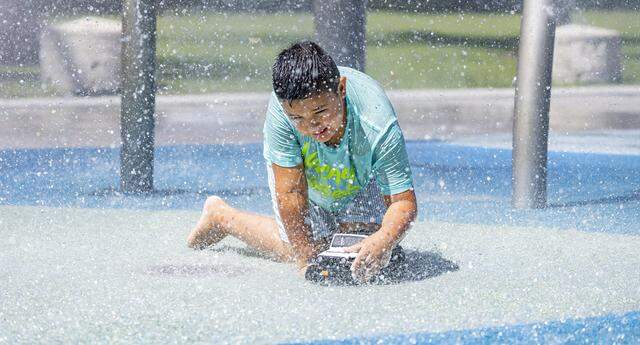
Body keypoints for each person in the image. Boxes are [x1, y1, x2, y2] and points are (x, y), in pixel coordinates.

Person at [186, 41, 417, 283]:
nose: (311, 126)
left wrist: (383, 239)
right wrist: (306, 259)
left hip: (364, 170)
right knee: (301, 249)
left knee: (367, 241)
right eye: (298, 118)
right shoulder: (281, 116)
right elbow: (290, 192)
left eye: (320, 112)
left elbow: (403, 202)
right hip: (305, 174)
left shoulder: (376, 122)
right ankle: (222, 217)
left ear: (342, 89)